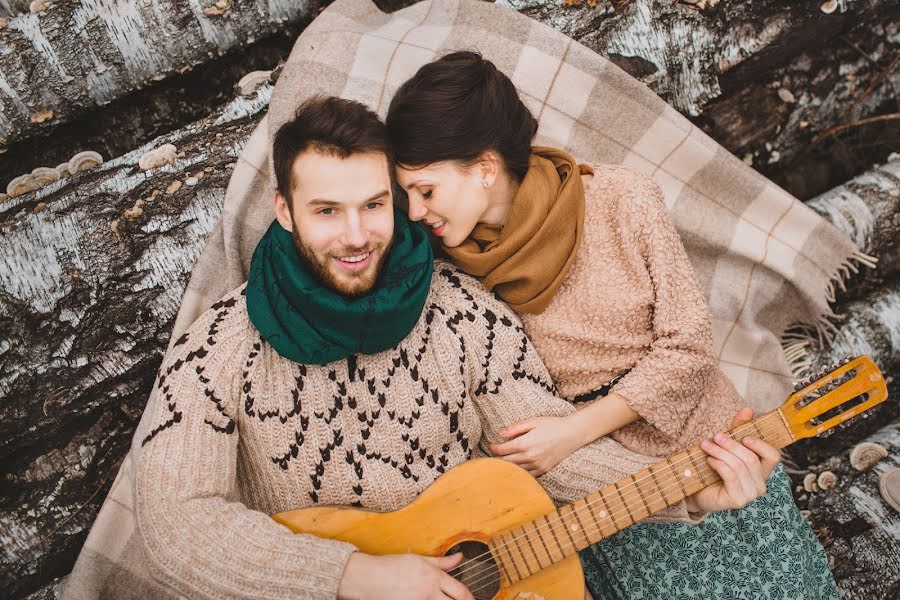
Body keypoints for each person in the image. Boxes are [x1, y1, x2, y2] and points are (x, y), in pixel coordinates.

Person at [77, 96, 782, 600]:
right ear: (285, 212)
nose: (356, 235)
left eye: (373, 204)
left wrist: (690, 490)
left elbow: (543, 454)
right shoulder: (215, 352)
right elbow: (176, 524)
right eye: (327, 210)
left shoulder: (461, 313)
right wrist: (353, 576)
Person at [386, 51, 838, 599]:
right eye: (406, 194)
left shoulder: (621, 199)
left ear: (484, 168)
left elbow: (688, 348)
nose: (413, 213)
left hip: (714, 454)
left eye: (425, 190)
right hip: (606, 502)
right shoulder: (452, 281)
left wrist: (574, 429)